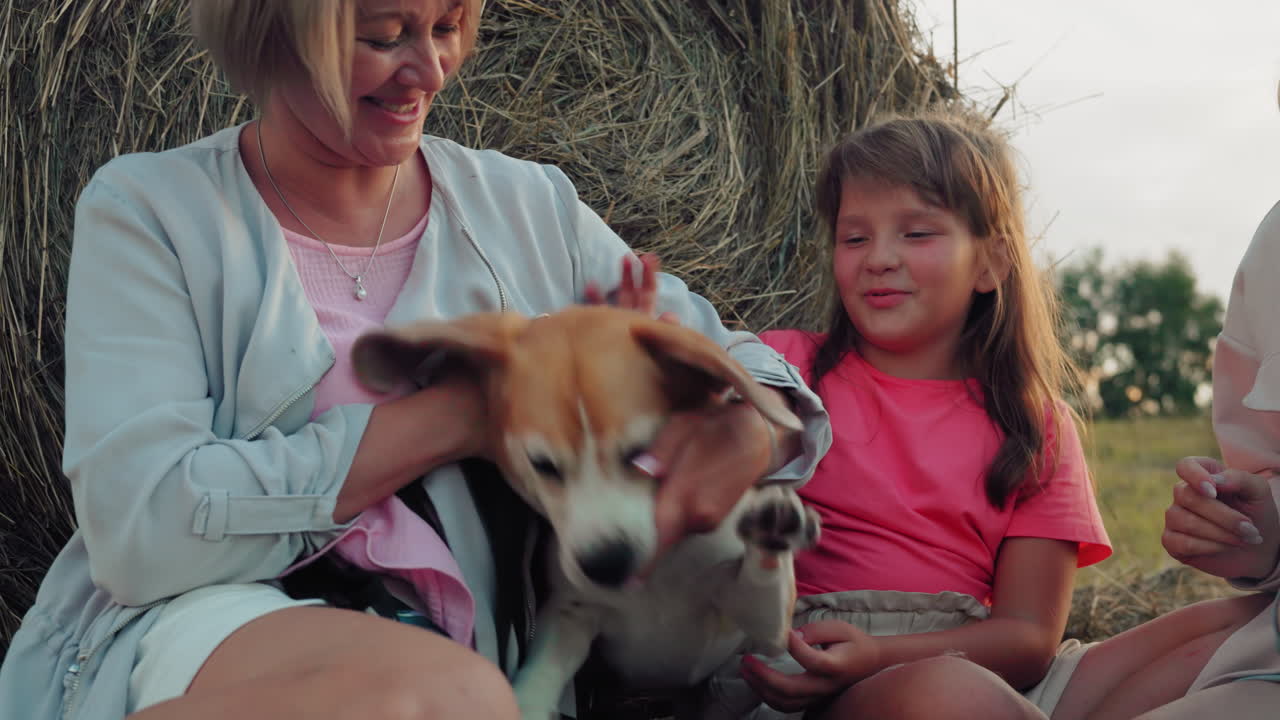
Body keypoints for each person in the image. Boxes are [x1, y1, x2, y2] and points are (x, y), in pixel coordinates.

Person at [0, 2, 831, 719]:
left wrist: (749, 431)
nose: (428, 71)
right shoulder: (153, 210)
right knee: (448, 702)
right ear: (276, 30)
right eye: (384, 35)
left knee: (464, 694)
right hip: (214, 619)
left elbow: (748, 369)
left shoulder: (528, 206)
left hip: (475, 645)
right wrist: (460, 416)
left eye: (445, 27)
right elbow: (142, 529)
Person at [686, 110, 1115, 720]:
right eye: (854, 237)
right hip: (816, 664)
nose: (879, 257)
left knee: (1222, 631)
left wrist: (891, 654)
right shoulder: (785, 367)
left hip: (976, 661)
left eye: (917, 234)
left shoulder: (1034, 424)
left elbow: (1026, 639)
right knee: (948, 694)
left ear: (992, 263)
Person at [1045, 202, 1280, 720]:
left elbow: (1024, 636)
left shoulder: (1038, 428)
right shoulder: (1274, 246)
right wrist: (1265, 533)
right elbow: (1267, 459)